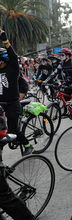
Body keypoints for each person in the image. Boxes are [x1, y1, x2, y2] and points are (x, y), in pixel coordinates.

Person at [0, 28, 34, 156]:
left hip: (12, 105)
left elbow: (14, 57)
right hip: (0, 105)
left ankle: (27, 145)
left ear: (3, 60)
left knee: (13, 130)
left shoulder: (12, 69)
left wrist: (5, 40)